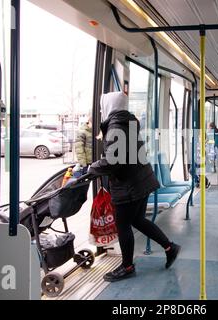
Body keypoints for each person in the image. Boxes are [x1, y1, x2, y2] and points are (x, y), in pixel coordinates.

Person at [85, 92, 181, 282]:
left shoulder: (115, 126)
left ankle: (127, 266)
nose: (101, 110)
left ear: (109, 106)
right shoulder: (128, 123)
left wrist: (92, 167)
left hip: (128, 185)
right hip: (141, 180)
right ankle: (170, 247)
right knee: (137, 220)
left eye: (103, 106)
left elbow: (114, 162)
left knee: (123, 226)